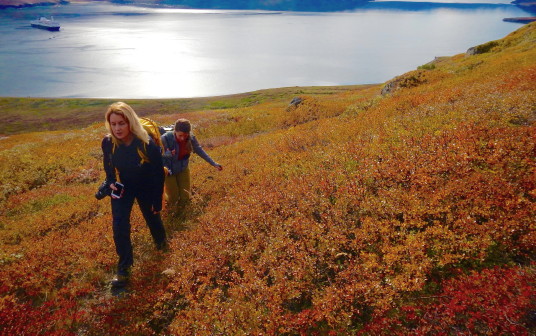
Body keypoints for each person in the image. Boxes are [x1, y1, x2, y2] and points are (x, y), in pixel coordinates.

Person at [101, 102, 167, 288]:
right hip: (123, 187)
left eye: (121, 123)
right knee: (119, 226)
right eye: (113, 124)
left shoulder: (147, 144)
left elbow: (158, 173)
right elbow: (108, 165)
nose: (117, 128)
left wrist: (157, 200)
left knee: (153, 218)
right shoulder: (108, 142)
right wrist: (111, 180)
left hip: (146, 186)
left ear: (130, 122)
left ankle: (162, 246)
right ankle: (124, 269)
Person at [161, 118, 222, 214]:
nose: (182, 138)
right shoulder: (165, 138)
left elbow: (199, 150)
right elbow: (156, 154)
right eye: (180, 135)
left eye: (185, 135)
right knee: (173, 197)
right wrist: (167, 154)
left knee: (185, 195)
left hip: (183, 168)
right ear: (175, 131)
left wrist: (213, 163)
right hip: (169, 170)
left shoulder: (191, 138)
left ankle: (182, 213)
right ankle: (170, 210)